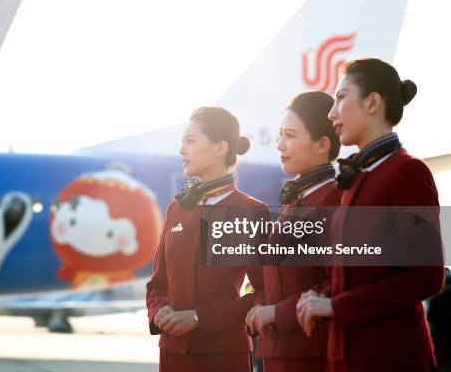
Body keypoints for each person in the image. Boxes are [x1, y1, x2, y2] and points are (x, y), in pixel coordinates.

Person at [296, 58, 445, 371]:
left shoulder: (407, 172)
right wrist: (316, 296)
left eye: (340, 98)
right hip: (344, 358)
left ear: (372, 102)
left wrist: (335, 306)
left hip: (391, 358)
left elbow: (426, 276)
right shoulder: (358, 179)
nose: (331, 113)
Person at [146, 106, 268, 372]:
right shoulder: (177, 209)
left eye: (190, 141)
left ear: (219, 148)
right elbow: (157, 284)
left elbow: (263, 292)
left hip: (221, 354)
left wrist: (200, 317)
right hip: (172, 353)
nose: (181, 150)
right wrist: (159, 311)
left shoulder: (249, 211)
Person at [246, 91, 341, 371]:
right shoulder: (295, 201)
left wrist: (276, 313)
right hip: (277, 351)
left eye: (289, 135)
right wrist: (261, 305)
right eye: (280, 135)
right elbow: (270, 272)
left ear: (321, 145)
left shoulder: (334, 199)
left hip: (312, 354)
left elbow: (338, 281)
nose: (279, 145)